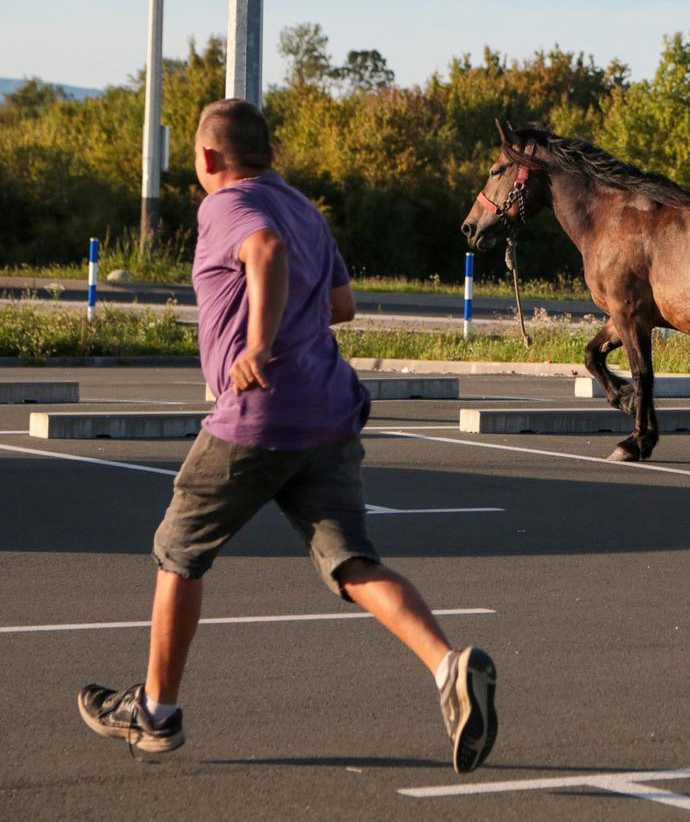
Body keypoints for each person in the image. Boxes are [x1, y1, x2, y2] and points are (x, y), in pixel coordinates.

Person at [76, 98, 498, 774]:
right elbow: (342, 305)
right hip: (328, 412)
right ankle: (447, 667)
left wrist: (257, 341)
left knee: (178, 552)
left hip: (257, 415)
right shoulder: (304, 208)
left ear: (208, 159)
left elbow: (262, 251)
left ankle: (154, 714)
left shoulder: (227, 204)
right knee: (351, 561)